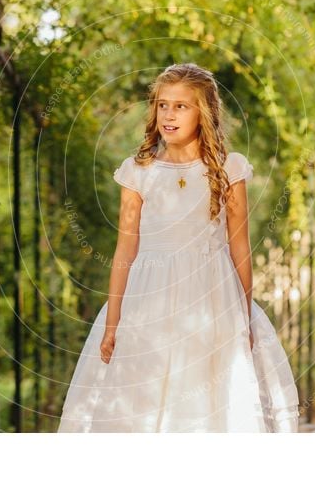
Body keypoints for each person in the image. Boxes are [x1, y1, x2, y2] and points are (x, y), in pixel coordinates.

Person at [57, 62, 300, 433]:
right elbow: (125, 252)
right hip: (148, 300)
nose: (168, 114)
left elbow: (240, 248)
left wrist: (245, 314)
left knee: (209, 404)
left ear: (203, 113)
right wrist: (112, 323)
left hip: (212, 301)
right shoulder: (138, 171)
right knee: (142, 403)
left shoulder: (228, 169)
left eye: (181, 106)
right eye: (162, 105)